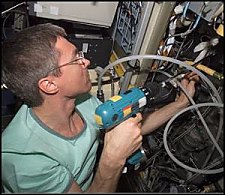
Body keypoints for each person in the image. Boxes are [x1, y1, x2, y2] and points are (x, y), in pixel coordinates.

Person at [2, 23, 198, 193]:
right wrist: (112, 160)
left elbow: (125, 128)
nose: (86, 61)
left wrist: (179, 104)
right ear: (49, 85)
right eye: (76, 58)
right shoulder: (25, 161)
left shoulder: (82, 101)